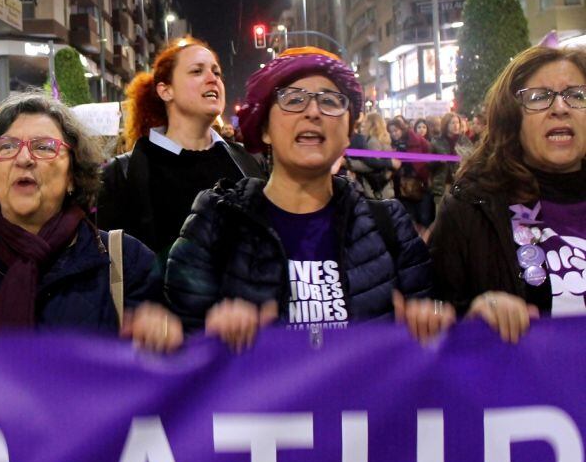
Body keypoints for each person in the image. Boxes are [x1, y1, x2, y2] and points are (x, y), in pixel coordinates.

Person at [166, 48, 442, 349]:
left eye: (330, 101)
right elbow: (172, 352)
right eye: (293, 99)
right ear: (265, 129)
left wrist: (476, 322)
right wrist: (207, 337)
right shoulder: (215, 222)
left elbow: (433, 346)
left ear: (349, 133)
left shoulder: (391, 226)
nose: (313, 112)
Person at [0, 92, 180, 352]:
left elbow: (168, 377)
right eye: (7, 146)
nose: (23, 159)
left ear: (73, 175)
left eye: (43, 147)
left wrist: (165, 340)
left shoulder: (126, 261)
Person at [430, 46, 586, 340]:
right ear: (512, 119)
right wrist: (473, 314)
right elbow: (434, 315)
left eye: (577, 95)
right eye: (539, 97)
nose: (561, 108)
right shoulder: (470, 208)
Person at [98, 37, 264, 265]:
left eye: (217, 73)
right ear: (165, 91)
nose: (212, 79)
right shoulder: (123, 174)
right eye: (197, 71)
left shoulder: (245, 162)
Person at [346, 112, 400, 200]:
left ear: (371, 124)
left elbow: (372, 165)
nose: (363, 125)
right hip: (384, 189)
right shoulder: (383, 139)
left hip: (376, 191)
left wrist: (349, 163)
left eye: (365, 122)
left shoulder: (373, 141)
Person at [428, 112, 475, 212]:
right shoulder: (437, 141)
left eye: (457, 122)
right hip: (443, 184)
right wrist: (438, 161)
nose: (456, 126)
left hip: (461, 184)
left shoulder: (464, 140)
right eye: (452, 123)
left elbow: (472, 159)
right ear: (446, 125)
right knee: (441, 217)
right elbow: (429, 164)